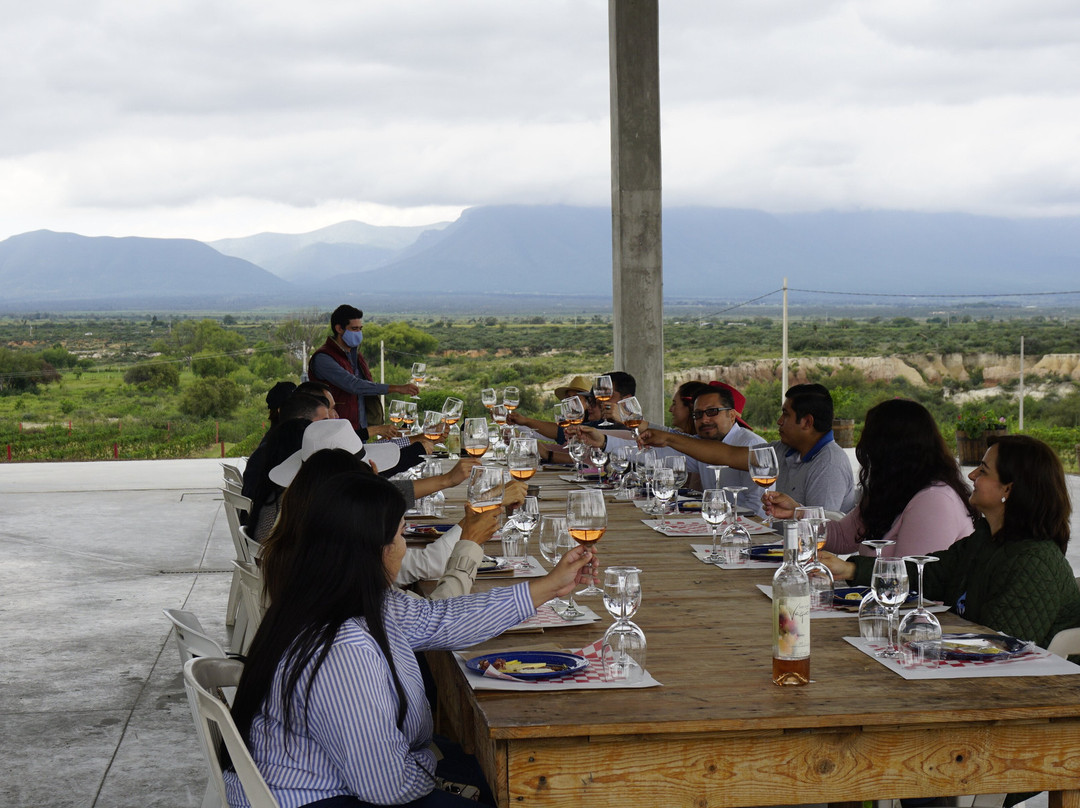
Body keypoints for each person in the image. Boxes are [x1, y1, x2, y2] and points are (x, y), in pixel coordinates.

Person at [225, 462, 593, 808]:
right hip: (321, 798)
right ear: (373, 549)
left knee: (480, 772)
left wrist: (548, 587)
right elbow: (385, 786)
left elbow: (441, 618)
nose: (405, 546)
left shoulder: (336, 597)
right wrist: (435, 772)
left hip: (348, 782)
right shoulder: (343, 647)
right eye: (402, 534)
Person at [823, 435, 1080, 651]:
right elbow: (933, 573)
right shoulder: (985, 538)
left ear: (1008, 490)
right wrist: (851, 569)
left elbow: (1000, 646)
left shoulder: (1032, 561)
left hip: (1033, 695)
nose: (971, 475)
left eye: (983, 470)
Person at [766, 399, 976, 557]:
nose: (863, 446)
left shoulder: (934, 501)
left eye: (869, 437)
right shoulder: (894, 489)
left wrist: (852, 571)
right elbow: (842, 536)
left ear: (888, 448)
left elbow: (914, 581)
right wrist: (796, 512)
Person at [638, 383, 856, 514]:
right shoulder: (782, 450)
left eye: (786, 415)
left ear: (807, 422)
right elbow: (725, 454)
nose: (779, 421)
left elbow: (821, 529)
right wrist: (668, 439)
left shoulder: (828, 463)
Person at [309, 304, 419, 432]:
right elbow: (353, 385)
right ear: (339, 328)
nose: (358, 333)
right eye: (354, 329)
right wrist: (396, 388)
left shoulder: (356, 355)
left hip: (360, 427)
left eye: (360, 329)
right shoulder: (324, 358)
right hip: (336, 429)